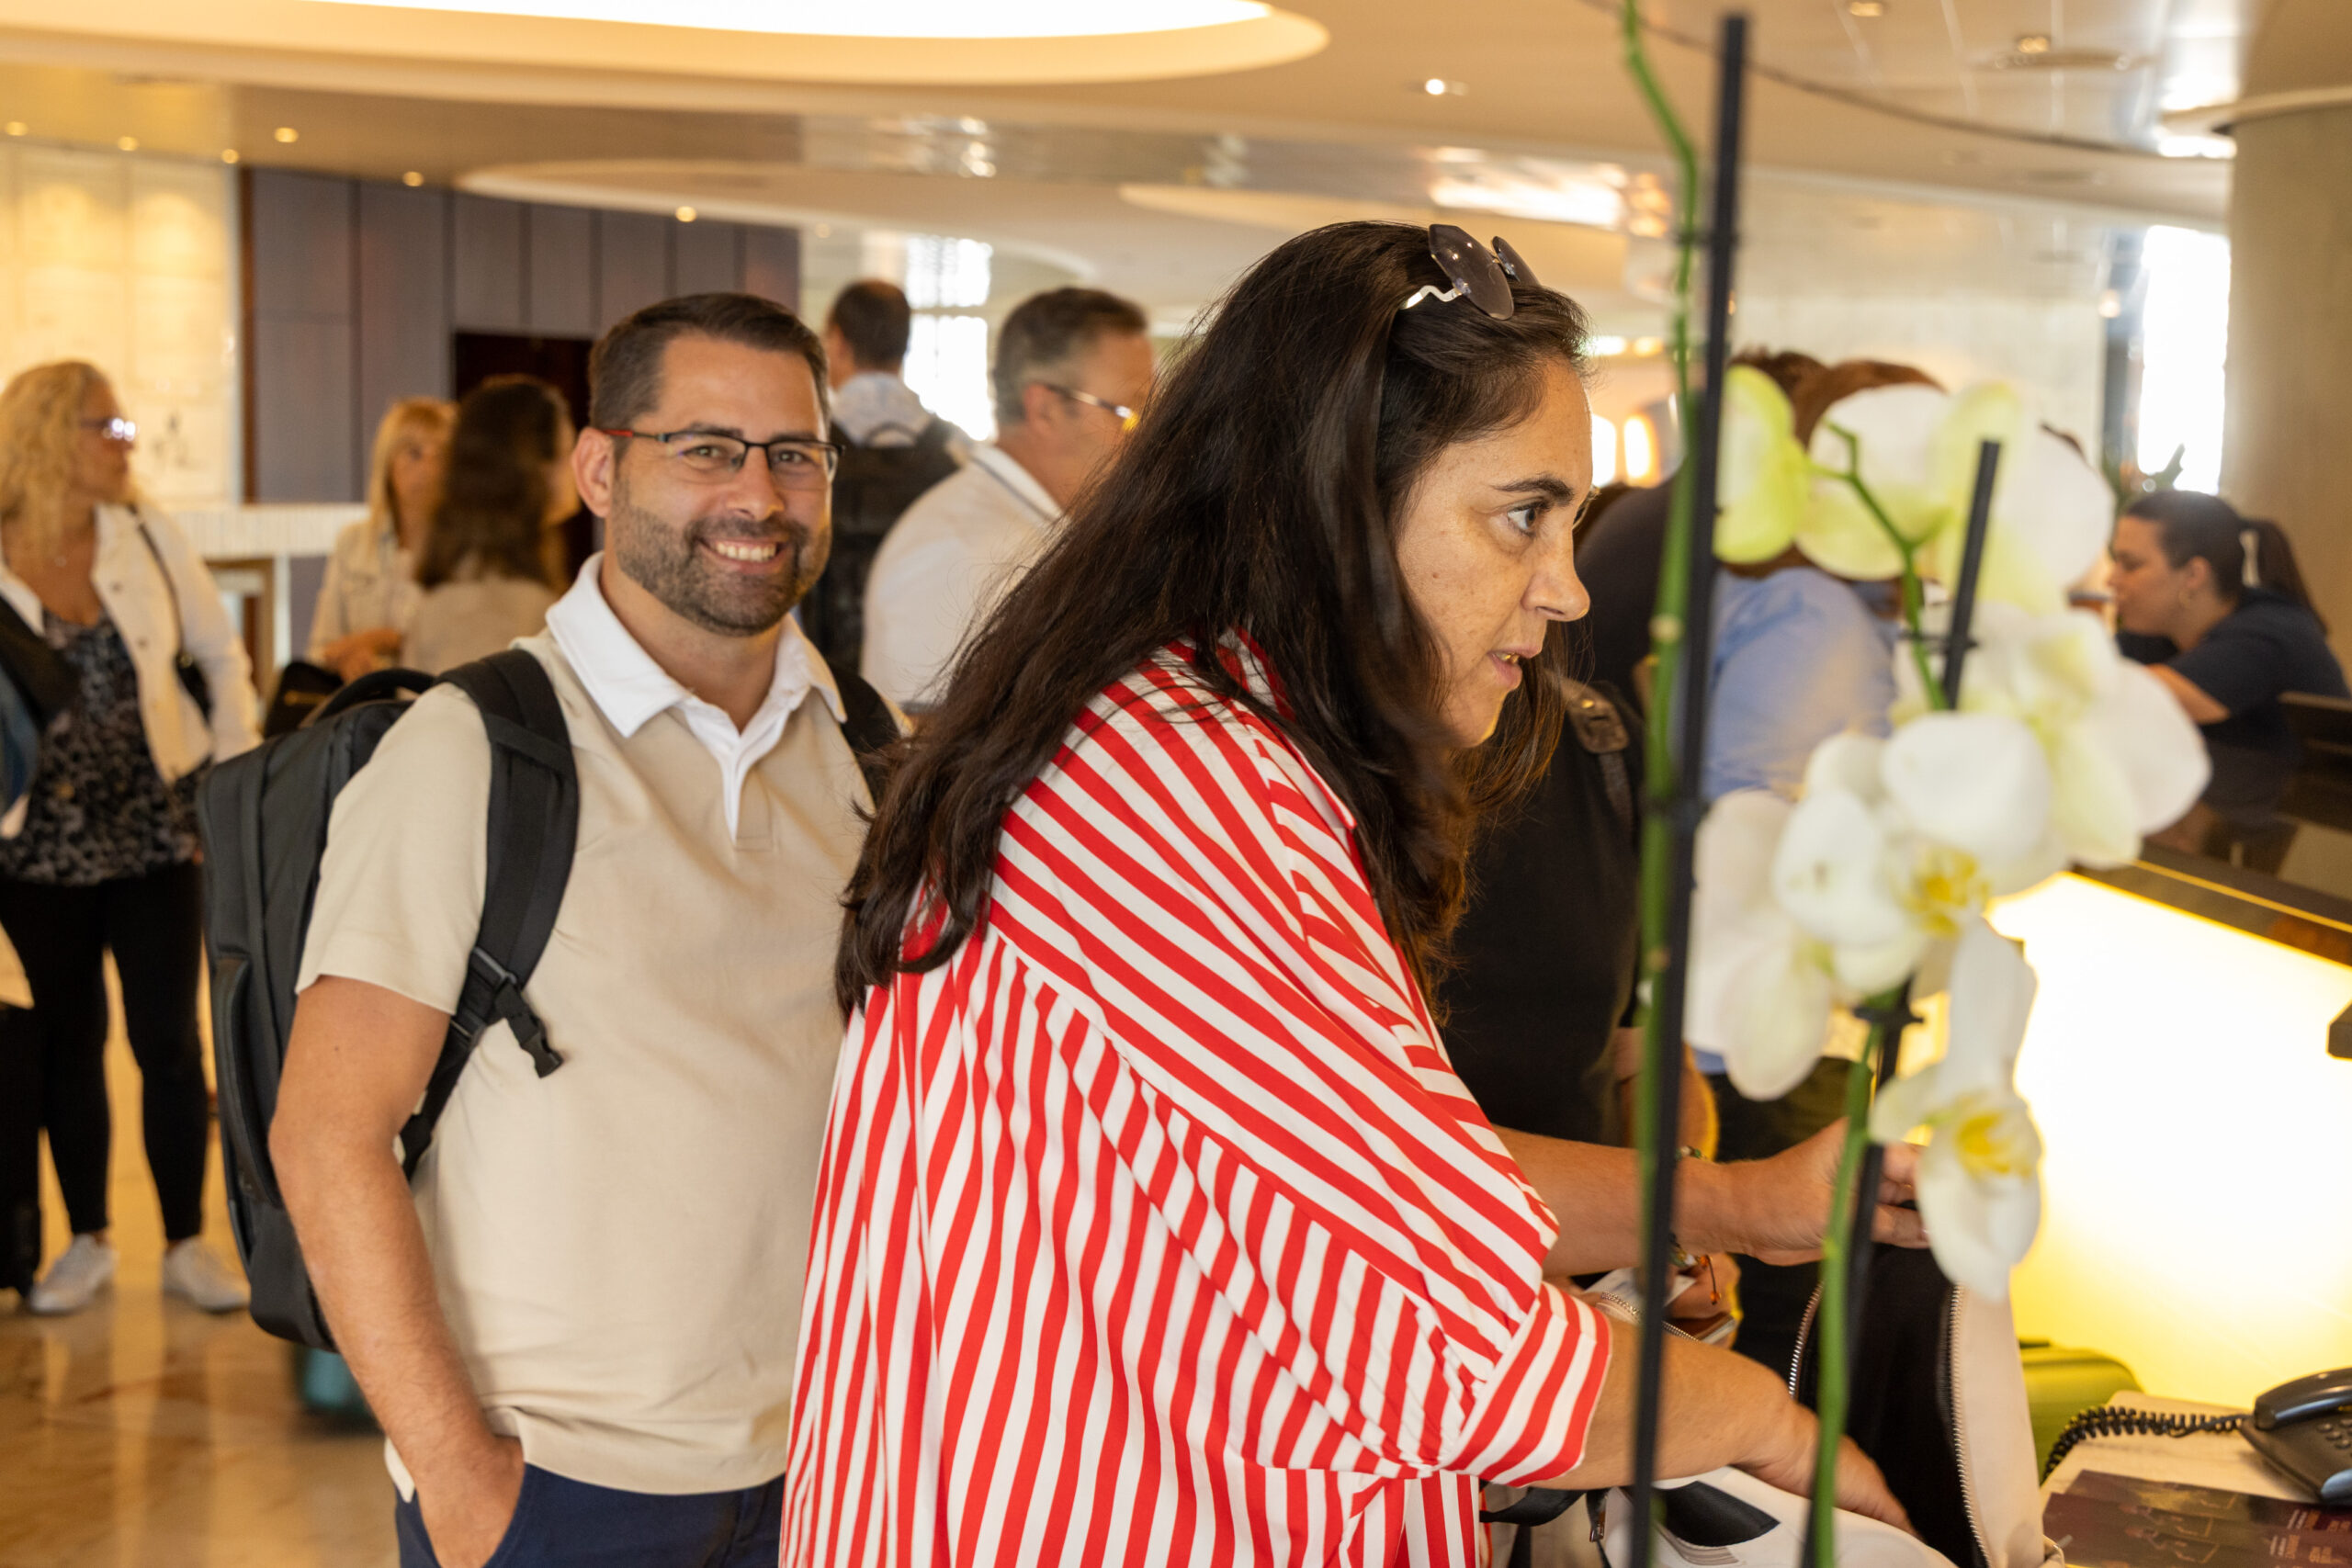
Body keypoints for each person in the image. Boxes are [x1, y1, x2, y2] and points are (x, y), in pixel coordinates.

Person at [786, 223, 1912, 1567]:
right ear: (1336, 500)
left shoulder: (1197, 739)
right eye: (1522, 515)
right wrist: (1772, 1424)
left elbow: (1398, 1183)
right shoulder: (1184, 784)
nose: (1563, 588)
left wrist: (1734, 1202)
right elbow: (1471, 1351)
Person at [272, 292, 894, 1568]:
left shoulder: (862, 748)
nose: (759, 493)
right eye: (707, 448)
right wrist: (461, 1480)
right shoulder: (476, 748)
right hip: (560, 1485)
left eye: (794, 452)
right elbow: (329, 1132)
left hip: (834, 1462)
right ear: (600, 470)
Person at [0, 359, 261, 1316]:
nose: (126, 445)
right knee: (69, 1042)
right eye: (105, 428)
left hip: (156, 828)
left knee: (168, 1039)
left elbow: (221, 659)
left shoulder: (145, 532)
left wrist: (230, 791)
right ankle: (88, 1239)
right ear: (45, 436)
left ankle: (188, 1240)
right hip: (34, 843)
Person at [859, 285, 1152, 713]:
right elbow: (924, 745)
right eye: (1129, 414)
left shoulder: (1029, 530)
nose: (1145, 438)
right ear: (1046, 409)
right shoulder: (957, 552)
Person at [2111, 490, 2348, 867]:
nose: (2112, 579)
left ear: (2193, 575)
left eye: (2131, 565)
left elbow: (2121, 694)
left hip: (2312, 855)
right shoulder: (2153, 634)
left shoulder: (2271, 632)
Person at [799, 279, 967, 677]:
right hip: (931, 663)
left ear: (838, 340)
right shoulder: (956, 449)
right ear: (904, 345)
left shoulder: (805, 446)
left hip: (826, 667)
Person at [401, 378, 572, 675]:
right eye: (569, 453)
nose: (581, 465)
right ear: (541, 469)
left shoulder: (454, 593)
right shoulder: (516, 609)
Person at [309, 396, 453, 682]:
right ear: (387, 462)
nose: (428, 469)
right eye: (414, 454)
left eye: (441, 456)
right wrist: (351, 659)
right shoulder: (352, 543)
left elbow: (464, 649)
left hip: (433, 701)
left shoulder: (465, 552)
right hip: (362, 701)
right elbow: (321, 648)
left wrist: (386, 640)